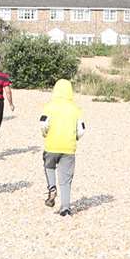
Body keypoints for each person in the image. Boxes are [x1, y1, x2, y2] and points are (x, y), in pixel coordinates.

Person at [40, 78, 86, 216]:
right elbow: (81, 130)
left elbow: (43, 124)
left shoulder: (49, 106)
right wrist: (75, 138)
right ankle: (65, 208)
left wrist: (45, 134)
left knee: (49, 166)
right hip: (68, 147)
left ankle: (52, 187)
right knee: (66, 179)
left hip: (51, 145)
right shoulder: (76, 109)